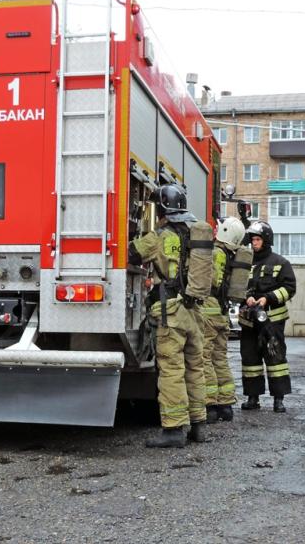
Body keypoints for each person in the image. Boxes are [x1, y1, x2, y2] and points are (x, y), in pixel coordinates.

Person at [129, 184, 209, 447]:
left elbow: (132, 253)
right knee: (195, 368)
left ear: (162, 209)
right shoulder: (194, 234)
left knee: (172, 369)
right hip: (194, 312)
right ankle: (198, 426)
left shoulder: (159, 237)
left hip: (171, 313)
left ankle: (173, 430)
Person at [239, 221, 296, 413]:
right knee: (250, 360)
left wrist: (267, 298)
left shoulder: (281, 263)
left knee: (275, 358)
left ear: (266, 240)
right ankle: (252, 398)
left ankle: (278, 399)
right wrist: (245, 298)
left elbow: (290, 288)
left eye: (257, 239)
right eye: (252, 240)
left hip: (272, 322)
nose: (254, 243)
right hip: (249, 322)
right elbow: (236, 286)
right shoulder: (245, 263)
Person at [202, 216, 245, 423]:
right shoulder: (232, 255)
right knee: (220, 358)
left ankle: (210, 404)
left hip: (209, 310)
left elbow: (209, 281)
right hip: (221, 312)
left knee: (204, 357)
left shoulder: (215, 253)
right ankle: (226, 405)